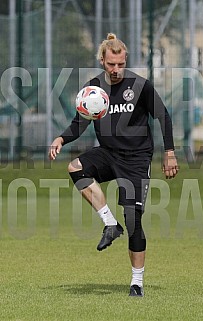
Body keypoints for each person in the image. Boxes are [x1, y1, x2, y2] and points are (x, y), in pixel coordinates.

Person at [49, 33, 178, 297]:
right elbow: (80, 122)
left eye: (120, 64)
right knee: (75, 167)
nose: (116, 69)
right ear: (102, 61)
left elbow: (163, 116)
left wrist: (169, 152)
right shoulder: (94, 89)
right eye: (111, 64)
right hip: (108, 154)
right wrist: (62, 137)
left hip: (137, 160)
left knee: (133, 220)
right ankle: (109, 223)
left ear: (125, 59)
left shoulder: (140, 86)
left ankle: (136, 282)